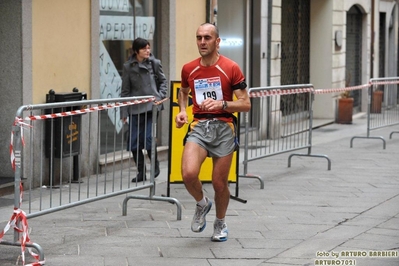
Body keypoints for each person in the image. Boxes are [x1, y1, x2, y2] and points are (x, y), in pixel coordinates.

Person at [175, 23, 251, 242]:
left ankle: (220, 222)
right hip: (199, 126)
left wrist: (221, 104)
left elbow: (245, 104)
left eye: (207, 38)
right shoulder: (189, 68)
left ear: (217, 41)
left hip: (224, 128)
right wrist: (182, 111)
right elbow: (183, 91)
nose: (202, 42)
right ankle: (202, 203)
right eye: (199, 37)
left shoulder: (231, 67)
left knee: (219, 183)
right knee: (188, 174)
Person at [121, 37, 168, 182]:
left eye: (148, 48)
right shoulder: (128, 67)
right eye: (144, 49)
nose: (147, 51)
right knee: (134, 141)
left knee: (148, 139)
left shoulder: (154, 63)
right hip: (135, 108)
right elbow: (125, 91)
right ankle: (141, 172)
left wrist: (159, 96)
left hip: (151, 108)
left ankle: (155, 165)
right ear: (136, 51)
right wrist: (123, 112)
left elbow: (163, 81)